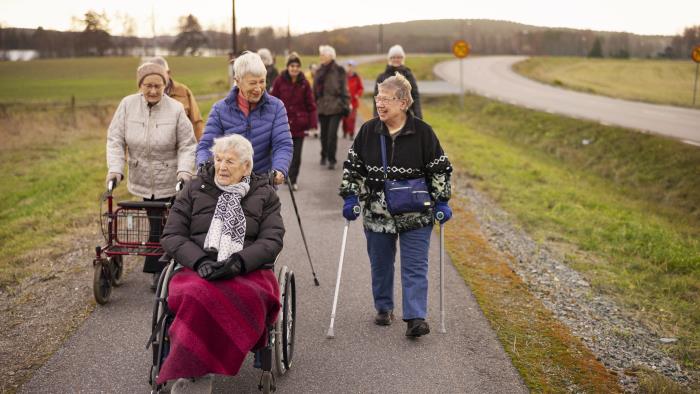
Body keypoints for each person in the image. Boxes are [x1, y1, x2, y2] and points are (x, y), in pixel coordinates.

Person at [158, 134, 283, 393]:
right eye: (218, 159)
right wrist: (199, 259)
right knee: (196, 294)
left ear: (246, 167)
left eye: (230, 161)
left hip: (248, 270)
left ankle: (211, 359)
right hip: (197, 266)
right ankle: (196, 373)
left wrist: (239, 262)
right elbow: (172, 235)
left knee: (244, 296)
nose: (222, 166)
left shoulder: (265, 194)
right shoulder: (194, 188)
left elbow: (272, 240)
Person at [339, 72, 452, 337]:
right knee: (380, 263)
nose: (379, 103)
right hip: (377, 213)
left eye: (386, 98)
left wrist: (442, 200)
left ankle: (415, 317)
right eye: (377, 97)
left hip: (416, 212)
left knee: (415, 266)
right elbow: (353, 168)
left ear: (403, 103)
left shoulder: (423, 132)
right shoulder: (368, 131)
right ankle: (384, 307)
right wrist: (350, 196)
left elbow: (440, 169)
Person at [106, 62, 197, 289]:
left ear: (165, 85)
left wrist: (184, 171)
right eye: (148, 85)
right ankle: (162, 267)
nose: (154, 91)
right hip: (143, 178)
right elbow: (115, 140)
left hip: (171, 178)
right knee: (155, 222)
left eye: (158, 85)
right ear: (140, 85)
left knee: (168, 225)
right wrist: (115, 169)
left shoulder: (175, 108)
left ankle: (161, 270)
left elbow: (187, 144)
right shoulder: (127, 105)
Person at [196, 51, 293, 186]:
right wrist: (203, 166)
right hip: (227, 186)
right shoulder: (220, 110)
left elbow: (282, 144)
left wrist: (279, 169)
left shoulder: (276, 107)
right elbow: (206, 146)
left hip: (262, 185)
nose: (258, 89)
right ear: (238, 81)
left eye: (262, 82)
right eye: (252, 83)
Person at [270, 52, 318, 191]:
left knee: (296, 155)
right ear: (287, 67)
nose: (294, 69)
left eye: (297, 66)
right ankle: (283, 173)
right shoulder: (279, 81)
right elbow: (273, 101)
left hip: (299, 124)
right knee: (282, 152)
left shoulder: (305, 83)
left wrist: (313, 124)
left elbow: (311, 105)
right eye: (292, 66)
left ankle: (293, 179)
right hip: (282, 124)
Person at [147, 56, 205, 141]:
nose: (157, 79)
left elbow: (197, 122)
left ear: (168, 73)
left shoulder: (184, 92)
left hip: (182, 149)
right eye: (152, 75)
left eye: (160, 75)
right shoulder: (141, 96)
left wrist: (200, 150)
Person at [314, 45, 350, 170]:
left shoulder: (339, 70)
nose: (321, 57)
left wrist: (345, 104)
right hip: (322, 107)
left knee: (331, 135)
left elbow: (345, 89)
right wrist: (315, 103)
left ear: (331, 56)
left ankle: (332, 159)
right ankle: (323, 155)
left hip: (336, 107)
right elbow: (315, 90)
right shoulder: (318, 71)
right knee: (323, 135)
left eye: (323, 54)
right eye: (321, 54)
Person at [373, 44, 422, 119]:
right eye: (393, 57)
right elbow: (377, 100)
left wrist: (418, 117)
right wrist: (376, 118)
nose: (396, 59)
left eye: (399, 57)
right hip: (387, 117)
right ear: (389, 59)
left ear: (403, 59)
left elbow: (415, 97)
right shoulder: (382, 77)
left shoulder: (409, 76)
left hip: (405, 118)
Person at [342, 59, 364, 139]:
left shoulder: (357, 77)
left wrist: (358, 94)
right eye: (349, 66)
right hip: (345, 102)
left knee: (352, 118)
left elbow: (361, 88)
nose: (350, 68)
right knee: (345, 119)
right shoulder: (343, 77)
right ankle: (345, 131)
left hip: (354, 101)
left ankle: (351, 133)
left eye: (352, 66)